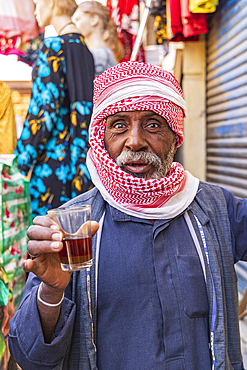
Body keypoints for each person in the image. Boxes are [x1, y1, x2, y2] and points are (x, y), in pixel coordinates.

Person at [9, 61, 246, 370]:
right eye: (119, 125)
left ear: (175, 135)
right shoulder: (68, 229)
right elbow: (29, 358)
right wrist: (52, 292)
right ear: (101, 137)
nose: (134, 141)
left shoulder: (215, 208)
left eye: (153, 124)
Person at [14, 0, 95, 218]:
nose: (34, 10)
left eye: (37, 2)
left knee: (49, 242)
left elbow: (42, 116)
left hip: (52, 170)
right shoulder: (85, 50)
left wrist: (18, 165)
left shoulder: (53, 48)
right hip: (83, 168)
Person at [72, 0, 122, 77]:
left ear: (93, 20)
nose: (74, 24)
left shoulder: (98, 55)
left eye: (78, 19)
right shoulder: (103, 52)